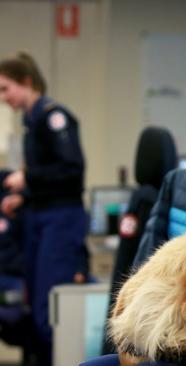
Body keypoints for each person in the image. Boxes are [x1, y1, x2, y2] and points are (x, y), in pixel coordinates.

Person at [0, 52, 88, 366]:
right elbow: (48, 179)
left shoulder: (54, 117)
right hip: (39, 217)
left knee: (49, 314)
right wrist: (23, 196)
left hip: (60, 221)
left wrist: (27, 178)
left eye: (5, 88)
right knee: (35, 311)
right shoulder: (31, 120)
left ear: (26, 82)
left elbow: (72, 171)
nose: (4, 97)